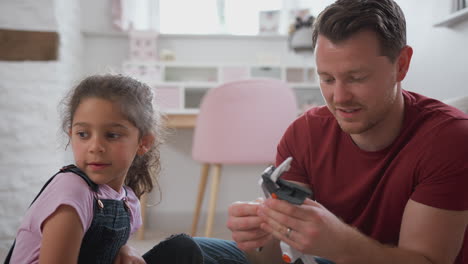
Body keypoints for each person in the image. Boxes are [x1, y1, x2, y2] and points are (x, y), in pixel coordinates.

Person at [194, 0, 468, 263]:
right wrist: (261, 241)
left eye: (356, 78)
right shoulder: (304, 135)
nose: (339, 97)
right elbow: (276, 260)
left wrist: (342, 245)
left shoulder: (449, 139)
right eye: (326, 79)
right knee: (185, 250)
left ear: (401, 65)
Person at [5, 74, 203, 263]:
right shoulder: (72, 192)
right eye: (83, 134)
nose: (95, 147)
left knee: (182, 249)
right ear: (71, 134)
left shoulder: (128, 201)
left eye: (112, 135)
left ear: (143, 142)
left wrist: (124, 249)